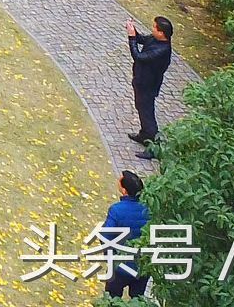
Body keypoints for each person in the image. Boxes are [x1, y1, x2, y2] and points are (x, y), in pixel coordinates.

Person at [99, 169, 151, 298]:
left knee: (112, 298)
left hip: (120, 268)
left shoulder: (117, 210)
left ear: (124, 190)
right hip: (143, 266)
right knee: (138, 298)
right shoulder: (150, 208)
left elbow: (106, 236)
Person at [126, 17, 173, 155]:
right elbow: (141, 39)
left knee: (147, 114)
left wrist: (131, 38)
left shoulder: (162, 50)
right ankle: (144, 135)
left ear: (162, 33)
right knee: (140, 107)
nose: (152, 29)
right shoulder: (155, 39)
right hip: (141, 80)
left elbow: (139, 56)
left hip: (148, 85)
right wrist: (132, 30)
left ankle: (153, 147)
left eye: (154, 27)